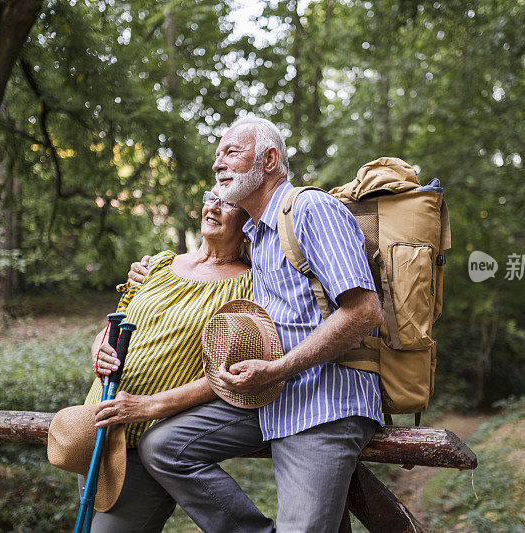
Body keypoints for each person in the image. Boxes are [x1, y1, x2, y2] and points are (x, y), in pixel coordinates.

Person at [136, 116, 384, 532]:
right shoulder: (258, 236)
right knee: (164, 447)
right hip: (270, 400)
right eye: (216, 157)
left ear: (270, 159)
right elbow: (208, 269)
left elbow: (364, 312)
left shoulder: (311, 209)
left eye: (231, 152)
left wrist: (280, 368)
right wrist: (149, 274)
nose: (218, 165)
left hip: (322, 404)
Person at [85, 184, 253, 531]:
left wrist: (149, 406)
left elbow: (225, 377)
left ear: (250, 217)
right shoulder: (159, 264)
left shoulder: (249, 286)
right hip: (97, 431)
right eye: (212, 198)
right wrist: (98, 348)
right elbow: (116, 321)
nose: (215, 207)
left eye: (229, 203)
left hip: (147, 442)